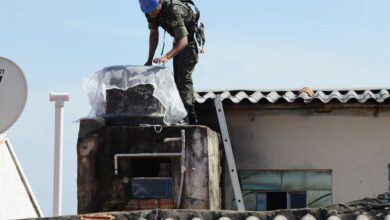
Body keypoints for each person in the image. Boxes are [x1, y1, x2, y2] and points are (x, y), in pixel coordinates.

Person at [139, 0, 204, 124]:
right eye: (148, 11)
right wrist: (149, 60)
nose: (151, 13)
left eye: (153, 9)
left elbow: (184, 40)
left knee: (183, 78)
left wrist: (167, 57)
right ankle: (182, 113)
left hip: (189, 41)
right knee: (176, 80)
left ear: (160, 2)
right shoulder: (149, 12)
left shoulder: (173, 10)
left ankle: (190, 116)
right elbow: (154, 34)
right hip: (178, 40)